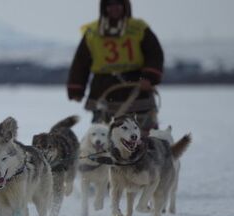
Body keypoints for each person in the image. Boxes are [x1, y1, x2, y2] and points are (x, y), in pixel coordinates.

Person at [67, 0, 164, 132]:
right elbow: (81, 61)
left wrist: (150, 77)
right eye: (110, 5)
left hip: (136, 87)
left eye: (118, 4)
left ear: (125, 6)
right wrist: (76, 88)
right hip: (103, 89)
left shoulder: (139, 28)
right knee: (103, 135)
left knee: (144, 133)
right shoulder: (92, 32)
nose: (114, 8)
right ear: (104, 8)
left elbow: (154, 53)